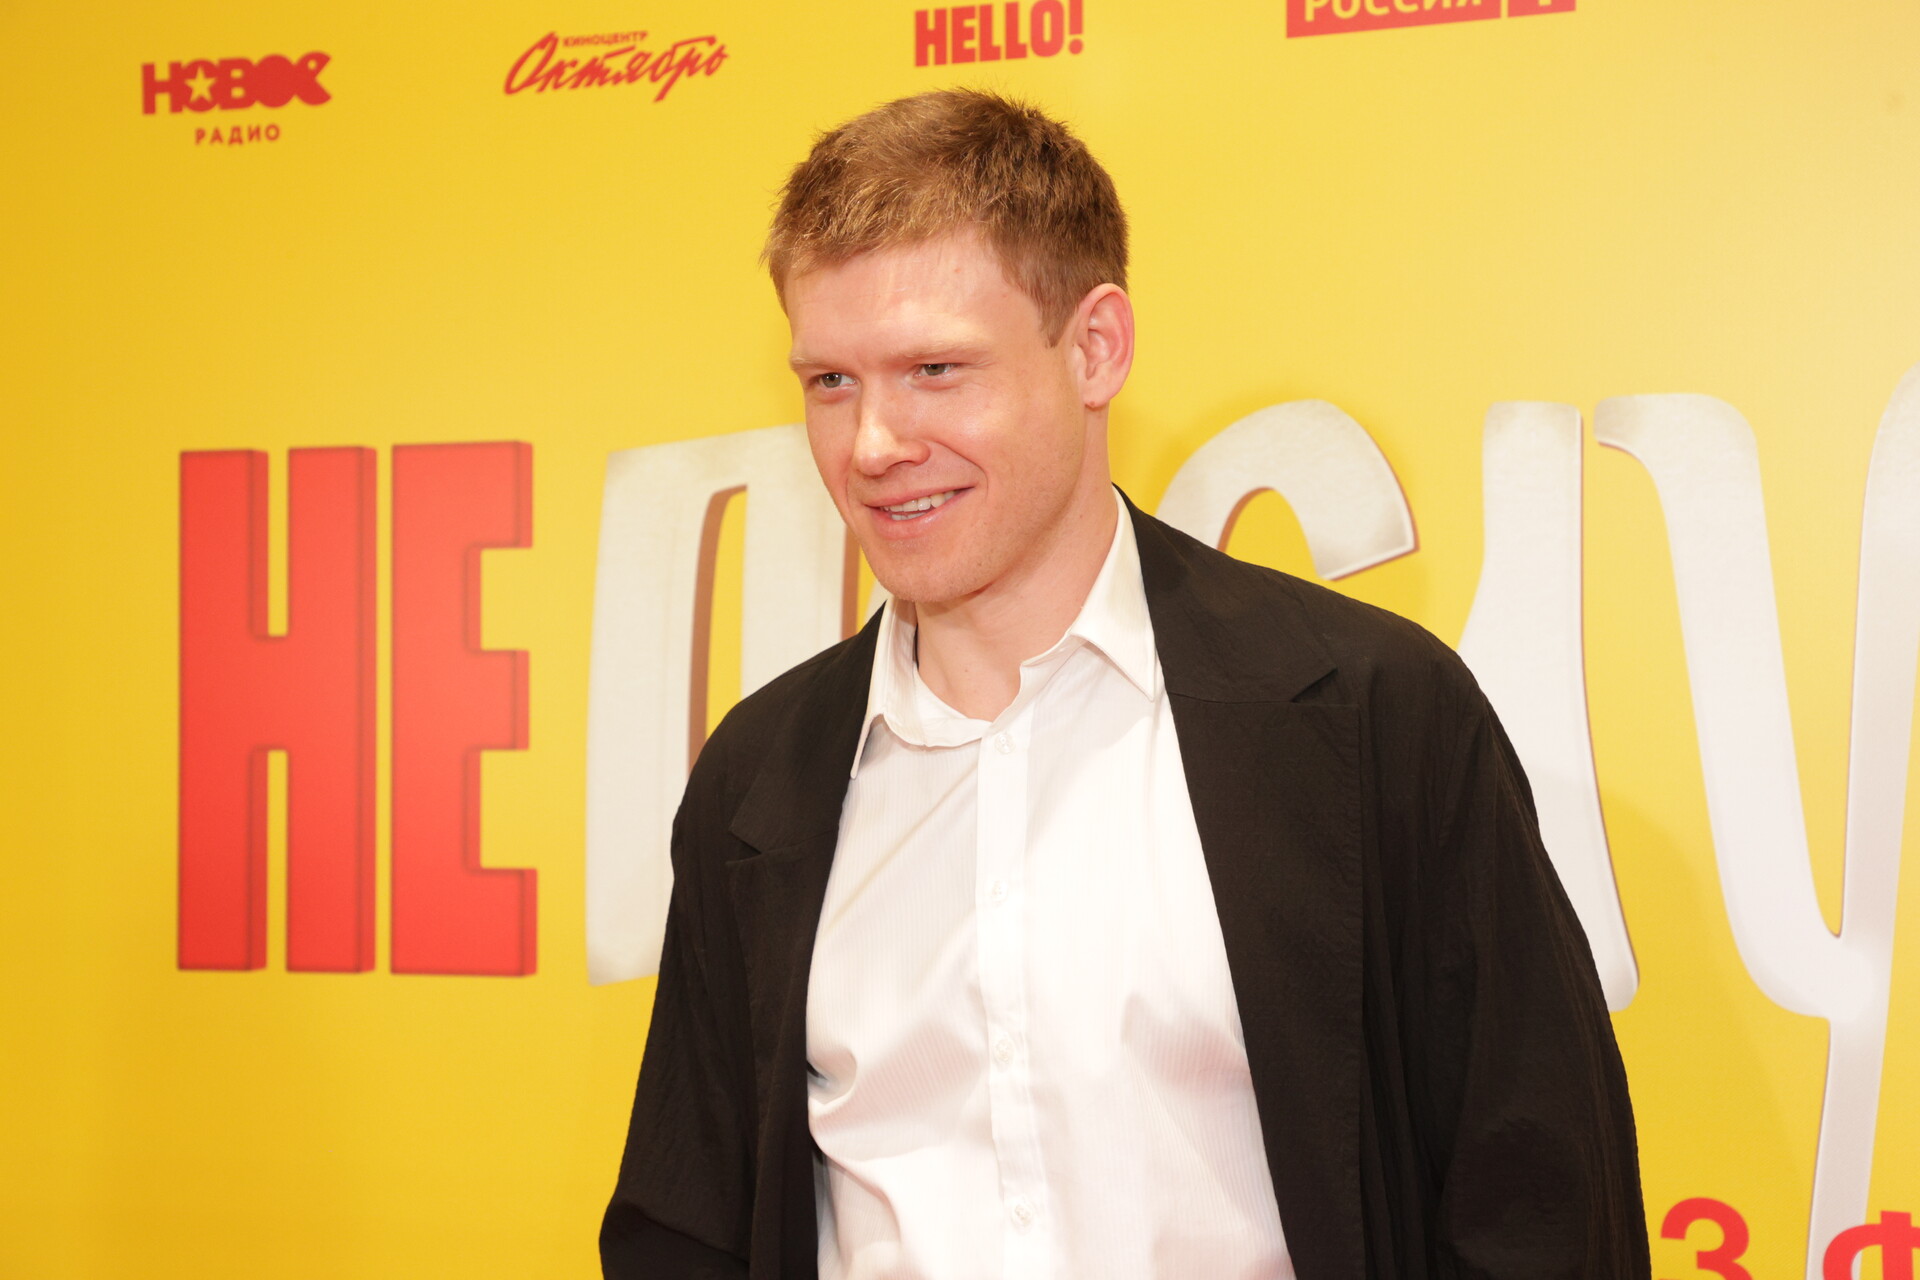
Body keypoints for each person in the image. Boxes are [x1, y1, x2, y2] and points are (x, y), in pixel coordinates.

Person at [602, 88, 1648, 1280]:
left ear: (1095, 347)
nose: (873, 443)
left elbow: (1541, 1205)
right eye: (831, 381)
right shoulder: (759, 778)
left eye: (935, 368)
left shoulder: (1374, 714)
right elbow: (684, 1223)